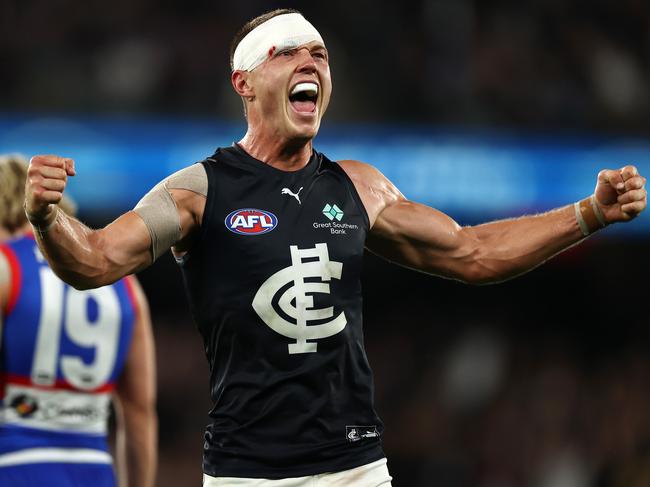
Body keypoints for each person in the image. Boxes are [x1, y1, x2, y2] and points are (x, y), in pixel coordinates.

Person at [22, 8, 647, 487]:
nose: (311, 63)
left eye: (319, 54)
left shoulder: (359, 187)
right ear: (243, 81)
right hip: (248, 473)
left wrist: (587, 214)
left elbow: (471, 251)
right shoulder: (197, 191)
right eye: (287, 52)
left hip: (354, 468)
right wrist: (46, 216)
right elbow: (95, 260)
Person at [0, 154, 157, 487]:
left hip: (14, 464)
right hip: (93, 469)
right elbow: (139, 413)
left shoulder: (6, 266)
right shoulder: (124, 285)